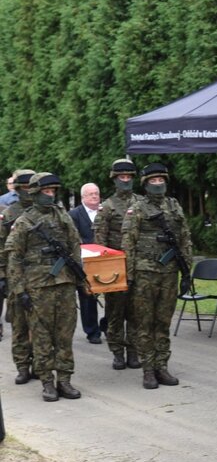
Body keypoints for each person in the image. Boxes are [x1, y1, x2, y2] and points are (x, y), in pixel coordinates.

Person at [5, 172, 83, 401]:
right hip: (38, 287)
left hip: (64, 284)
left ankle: (65, 380)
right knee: (41, 337)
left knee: (65, 335)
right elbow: (14, 258)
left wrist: (79, 277)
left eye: (53, 192)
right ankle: (47, 382)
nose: (50, 196)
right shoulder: (23, 221)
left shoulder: (63, 216)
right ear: (35, 193)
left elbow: (74, 245)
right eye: (46, 192)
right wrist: (20, 291)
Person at [121, 163, 192, 390]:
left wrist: (187, 272)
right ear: (145, 184)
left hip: (169, 273)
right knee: (144, 322)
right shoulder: (137, 208)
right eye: (154, 181)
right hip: (144, 274)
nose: (158, 184)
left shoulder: (174, 206)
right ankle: (148, 369)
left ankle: (162, 365)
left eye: (161, 180)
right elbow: (128, 242)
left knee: (163, 322)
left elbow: (185, 239)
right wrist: (129, 277)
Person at [93, 159, 143, 371]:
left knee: (135, 313)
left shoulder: (141, 203)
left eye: (129, 177)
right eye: (122, 177)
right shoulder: (107, 207)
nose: (126, 180)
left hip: (139, 266)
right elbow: (99, 241)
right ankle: (117, 352)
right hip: (114, 268)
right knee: (115, 313)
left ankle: (133, 351)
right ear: (115, 179)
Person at [0, 169, 36, 384]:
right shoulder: (9, 214)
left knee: (41, 328)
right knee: (20, 326)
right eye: (24, 188)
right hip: (16, 278)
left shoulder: (48, 210)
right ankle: (23, 366)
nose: (28, 192)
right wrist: (3, 276)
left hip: (42, 278)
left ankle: (41, 364)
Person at [68, 182, 103, 344]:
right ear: (83, 197)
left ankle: (108, 325)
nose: (95, 196)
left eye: (96, 193)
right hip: (85, 261)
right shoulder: (74, 214)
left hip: (106, 259)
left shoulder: (105, 211)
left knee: (116, 293)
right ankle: (92, 331)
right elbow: (72, 239)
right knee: (87, 295)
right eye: (91, 194)